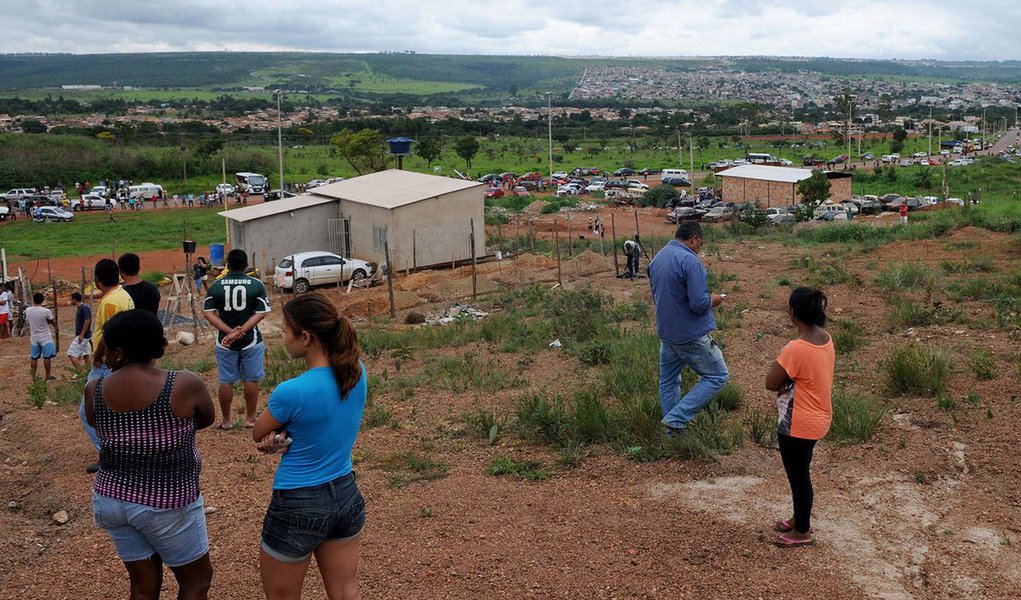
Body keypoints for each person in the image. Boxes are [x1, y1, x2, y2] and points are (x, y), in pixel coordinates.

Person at [84, 310, 215, 599]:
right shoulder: (183, 384)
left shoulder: (95, 388)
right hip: (166, 501)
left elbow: (95, 422)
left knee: (143, 586)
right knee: (196, 580)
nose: (103, 355)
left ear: (118, 352)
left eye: (106, 347)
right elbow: (206, 419)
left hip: (112, 499)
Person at [252, 293, 367, 600]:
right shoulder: (356, 372)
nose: (283, 337)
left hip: (298, 502)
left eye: (286, 331)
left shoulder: (291, 392)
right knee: (345, 592)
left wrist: (275, 437)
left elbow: (258, 431)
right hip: (345, 494)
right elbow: (325, 418)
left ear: (306, 337)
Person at [765, 287, 834, 547]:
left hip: (797, 424)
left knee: (799, 476)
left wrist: (786, 380)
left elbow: (770, 382)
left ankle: (803, 530)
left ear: (793, 313)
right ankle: (799, 518)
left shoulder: (795, 349)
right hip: (819, 417)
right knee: (800, 472)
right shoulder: (825, 338)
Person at [648, 221, 729, 436]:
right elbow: (699, 304)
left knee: (668, 380)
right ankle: (676, 418)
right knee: (718, 376)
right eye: (700, 244)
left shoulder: (659, 258)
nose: (700, 249)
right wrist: (716, 299)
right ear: (693, 239)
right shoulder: (690, 261)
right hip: (690, 333)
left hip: (667, 331)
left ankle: (673, 434)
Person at [203, 249, 270, 429]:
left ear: (227, 264)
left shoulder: (216, 285)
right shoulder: (256, 284)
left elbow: (208, 313)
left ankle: (226, 420)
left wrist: (229, 332)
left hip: (225, 342)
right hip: (252, 339)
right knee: (251, 379)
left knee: (226, 380)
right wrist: (242, 331)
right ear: (246, 264)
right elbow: (261, 313)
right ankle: (250, 419)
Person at [81, 259, 136, 471]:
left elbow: (109, 333)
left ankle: (110, 454)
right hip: (121, 359)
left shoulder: (110, 301)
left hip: (107, 362)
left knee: (88, 410)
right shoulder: (124, 295)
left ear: (96, 279)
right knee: (117, 408)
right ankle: (123, 451)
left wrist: (98, 356)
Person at [26, 292, 57, 380]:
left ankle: (34, 377)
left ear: (34, 300)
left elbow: (28, 320)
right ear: (42, 300)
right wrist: (55, 326)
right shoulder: (46, 311)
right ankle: (48, 376)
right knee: (47, 357)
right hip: (45, 337)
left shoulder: (28, 310)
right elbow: (51, 320)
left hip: (34, 337)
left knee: (34, 357)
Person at [67, 292, 93, 370]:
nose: (70, 301)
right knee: (86, 354)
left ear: (75, 299)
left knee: (71, 354)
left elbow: (87, 320)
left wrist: (81, 334)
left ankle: (80, 372)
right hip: (85, 336)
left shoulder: (83, 308)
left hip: (82, 336)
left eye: (71, 299)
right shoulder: (81, 308)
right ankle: (88, 372)